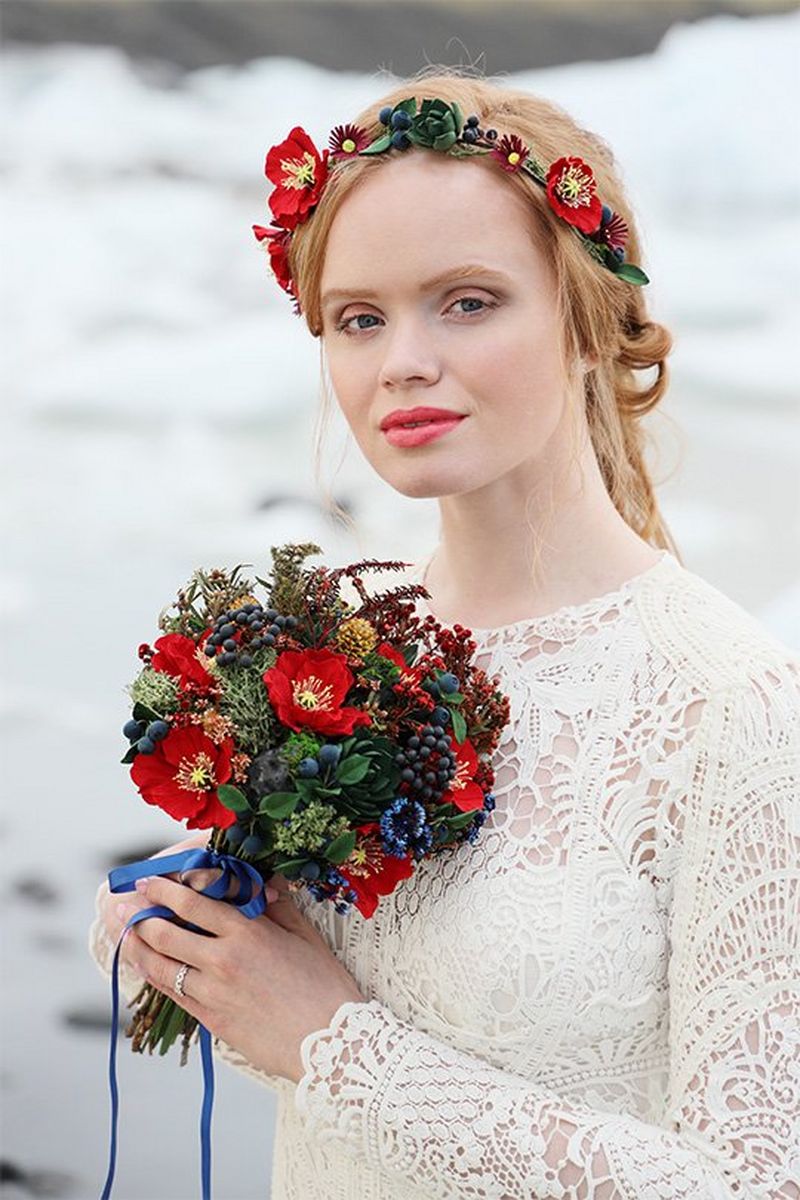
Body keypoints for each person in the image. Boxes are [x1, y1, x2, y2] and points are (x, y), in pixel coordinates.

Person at [89, 67, 800, 1199]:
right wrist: (185, 937)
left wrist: (339, 1051)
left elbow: (753, 1186)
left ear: (585, 321)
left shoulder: (735, 710)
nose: (401, 361)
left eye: (465, 301)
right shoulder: (331, 651)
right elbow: (274, 989)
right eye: (358, 319)